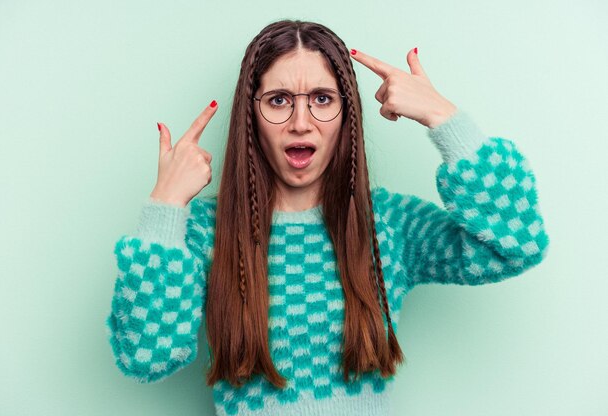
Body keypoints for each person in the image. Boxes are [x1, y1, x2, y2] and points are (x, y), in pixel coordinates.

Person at [105, 19, 550, 416]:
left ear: (347, 114)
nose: (301, 122)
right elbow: (145, 355)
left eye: (321, 98)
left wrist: (443, 117)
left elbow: (516, 246)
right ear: (251, 115)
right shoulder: (207, 232)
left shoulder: (388, 225)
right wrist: (165, 207)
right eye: (279, 100)